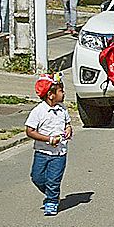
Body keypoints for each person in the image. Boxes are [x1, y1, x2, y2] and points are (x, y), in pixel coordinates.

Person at [25, 74, 72, 216]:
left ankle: (51, 201)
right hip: (42, 152)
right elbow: (29, 131)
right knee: (37, 177)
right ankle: (52, 193)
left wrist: (68, 129)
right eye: (61, 91)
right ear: (51, 95)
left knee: (54, 179)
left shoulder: (62, 109)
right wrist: (48, 139)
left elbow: (67, 124)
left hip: (59, 154)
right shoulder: (38, 111)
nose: (63, 93)